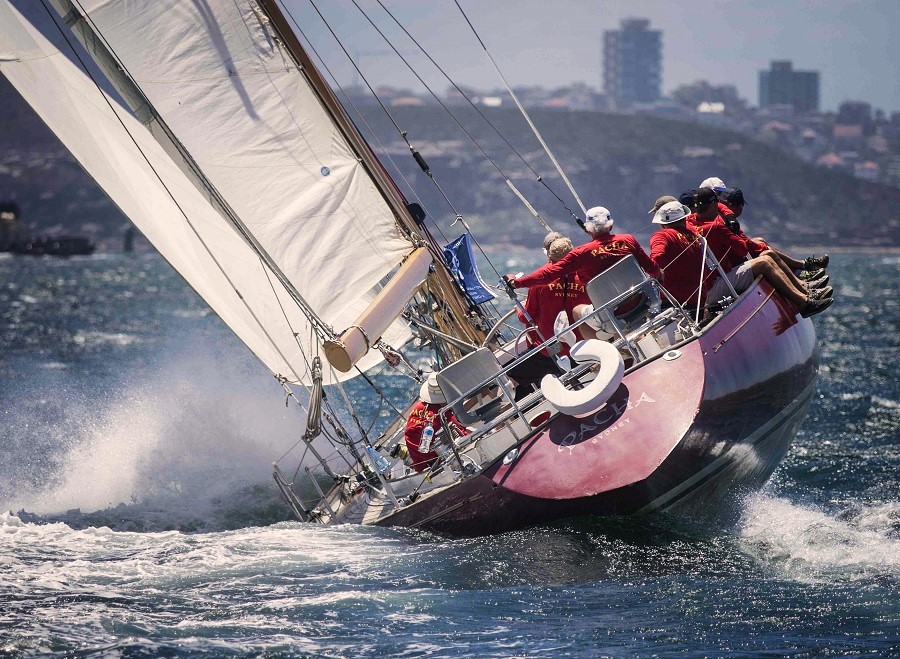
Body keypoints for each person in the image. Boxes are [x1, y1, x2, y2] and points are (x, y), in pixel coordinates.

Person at [666, 196, 832, 317]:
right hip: (713, 285)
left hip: (704, 286)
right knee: (765, 261)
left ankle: (804, 286)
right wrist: (730, 227)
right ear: (714, 205)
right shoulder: (715, 227)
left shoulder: (690, 224)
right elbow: (742, 248)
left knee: (765, 255)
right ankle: (804, 301)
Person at [508, 236, 589, 400]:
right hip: (584, 348)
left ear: (549, 256)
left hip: (550, 353)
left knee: (509, 378)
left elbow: (526, 318)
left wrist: (519, 307)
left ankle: (504, 420)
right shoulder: (586, 277)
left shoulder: (539, 282)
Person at [507, 206, 660, 290]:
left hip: (610, 313)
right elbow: (653, 269)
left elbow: (548, 273)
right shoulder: (628, 240)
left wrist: (516, 282)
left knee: (577, 311)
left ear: (588, 229)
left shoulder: (581, 253)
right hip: (643, 300)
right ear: (611, 225)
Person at [403, 373, 468, 472]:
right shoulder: (444, 416)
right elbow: (464, 435)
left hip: (420, 464)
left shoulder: (418, 406)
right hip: (438, 463)